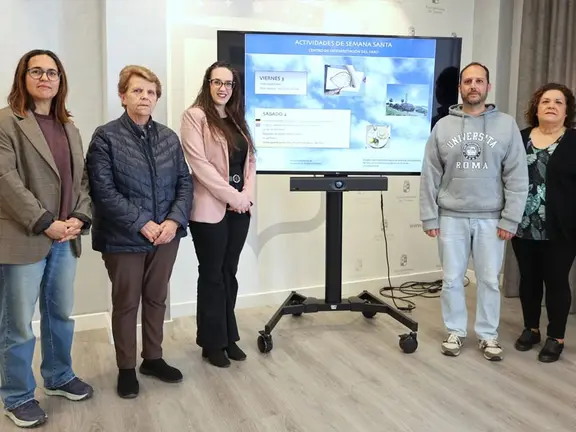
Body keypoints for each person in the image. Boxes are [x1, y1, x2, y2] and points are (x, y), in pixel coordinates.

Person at [85, 65, 193, 398]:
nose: (144, 97)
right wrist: (142, 223)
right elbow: (102, 190)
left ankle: (153, 358)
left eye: (150, 92)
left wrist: (173, 221)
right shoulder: (106, 137)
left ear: (156, 98)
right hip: (123, 238)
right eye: (137, 91)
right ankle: (126, 368)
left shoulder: (169, 138)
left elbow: (184, 182)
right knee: (126, 302)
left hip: (166, 236)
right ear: (123, 96)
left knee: (157, 298)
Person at [0, 49, 93, 428]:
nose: (45, 78)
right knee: (18, 324)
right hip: (24, 236)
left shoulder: (69, 127)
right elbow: (5, 180)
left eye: (52, 72)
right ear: (23, 77)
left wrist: (79, 217)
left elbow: (82, 179)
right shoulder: (6, 122)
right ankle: (17, 395)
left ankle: (58, 376)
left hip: (65, 238)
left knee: (60, 314)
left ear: (60, 80)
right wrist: (44, 222)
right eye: (36, 71)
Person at [419, 62, 529, 361]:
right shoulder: (443, 126)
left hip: (491, 218)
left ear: (488, 87)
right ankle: (455, 331)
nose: (473, 86)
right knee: (452, 279)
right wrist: (429, 216)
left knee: (490, 281)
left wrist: (510, 218)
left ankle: (488, 335)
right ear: (460, 87)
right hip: (451, 216)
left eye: (479, 81)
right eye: (468, 81)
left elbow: (517, 176)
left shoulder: (505, 125)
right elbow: (430, 175)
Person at [180, 61, 256, 368]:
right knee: (212, 275)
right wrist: (233, 197)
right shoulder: (194, 116)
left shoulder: (237, 118)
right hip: (209, 209)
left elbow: (250, 162)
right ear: (207, 84)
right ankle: (212, 343)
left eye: (228, 83)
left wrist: (246, 197)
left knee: (229, 273)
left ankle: (228, 337)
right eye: (217, 82)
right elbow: (200, 166)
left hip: (239, 210)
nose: (223, 88)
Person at [511, 83, 576, 363]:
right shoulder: (519, 138)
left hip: (562, 227)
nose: (551, 106)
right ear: (536, 108)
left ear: (567, 111)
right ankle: (531, 329)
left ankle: (556, 337)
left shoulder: (573, 141)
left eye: (558, 102)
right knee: (529, 279)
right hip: (521, 224)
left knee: (557, 280)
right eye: (545, 101)